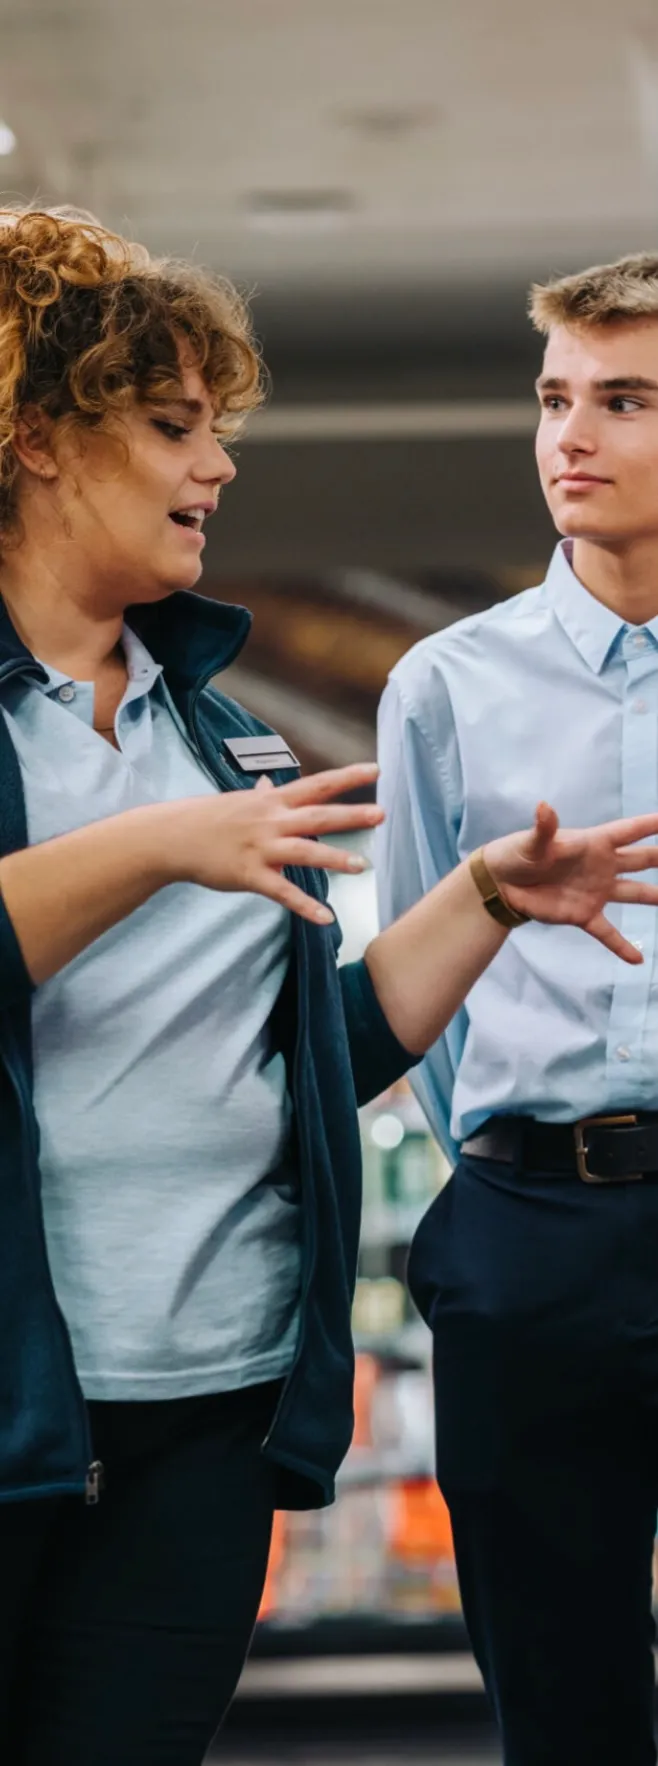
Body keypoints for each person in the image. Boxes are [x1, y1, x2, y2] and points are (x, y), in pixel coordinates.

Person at [1, 211, 657, 1766]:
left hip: (205, 1410)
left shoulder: (219, 739)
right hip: (33, 1402)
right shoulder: (229, 783)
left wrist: (487, 899)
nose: (220, 469)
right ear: (33, 440)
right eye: (175, 429)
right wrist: (159, 850)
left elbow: (313, 1055)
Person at [376, 252, 658, 1766]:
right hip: (529, 1234)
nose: (571, 436)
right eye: (554, 398)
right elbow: (418, 997)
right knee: (562, 1709)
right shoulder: (442, 686)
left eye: (623, 400)